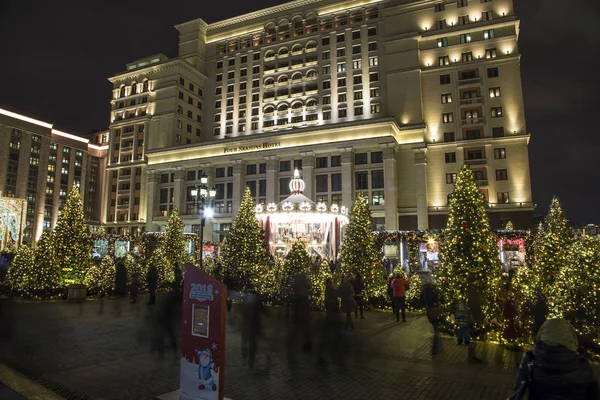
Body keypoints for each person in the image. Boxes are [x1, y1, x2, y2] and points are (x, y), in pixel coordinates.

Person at [512, 318, 600, 400]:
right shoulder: (585, 366)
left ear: (542, 334)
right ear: (571, 338)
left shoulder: (530, 359)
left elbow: (518, 389)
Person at [420, 274, 441, 355]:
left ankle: (436, 347)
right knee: (436, 330)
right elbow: (437, 299)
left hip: (429, 310)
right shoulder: (433, 290)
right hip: (434, 310)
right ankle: (435, 348)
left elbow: (422, 301)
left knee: (435, 327)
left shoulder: (424, 291)